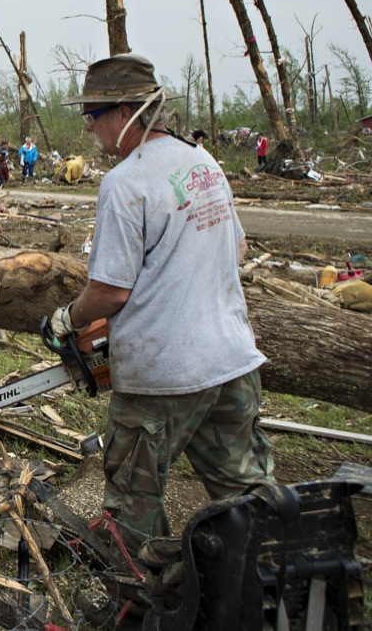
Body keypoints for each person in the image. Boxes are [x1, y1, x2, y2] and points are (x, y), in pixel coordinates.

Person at [50, 53, 273, 559]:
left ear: (125, 112)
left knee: (133, 502)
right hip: (232, 363)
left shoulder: (126, 183)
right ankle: (269, 587)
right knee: (247, 497)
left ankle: (137, 602)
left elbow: (110, 291)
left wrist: (68, 318)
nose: (89, 129)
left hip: (163, 379)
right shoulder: (204, 163)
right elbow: (234, 248)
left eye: (93, 116)